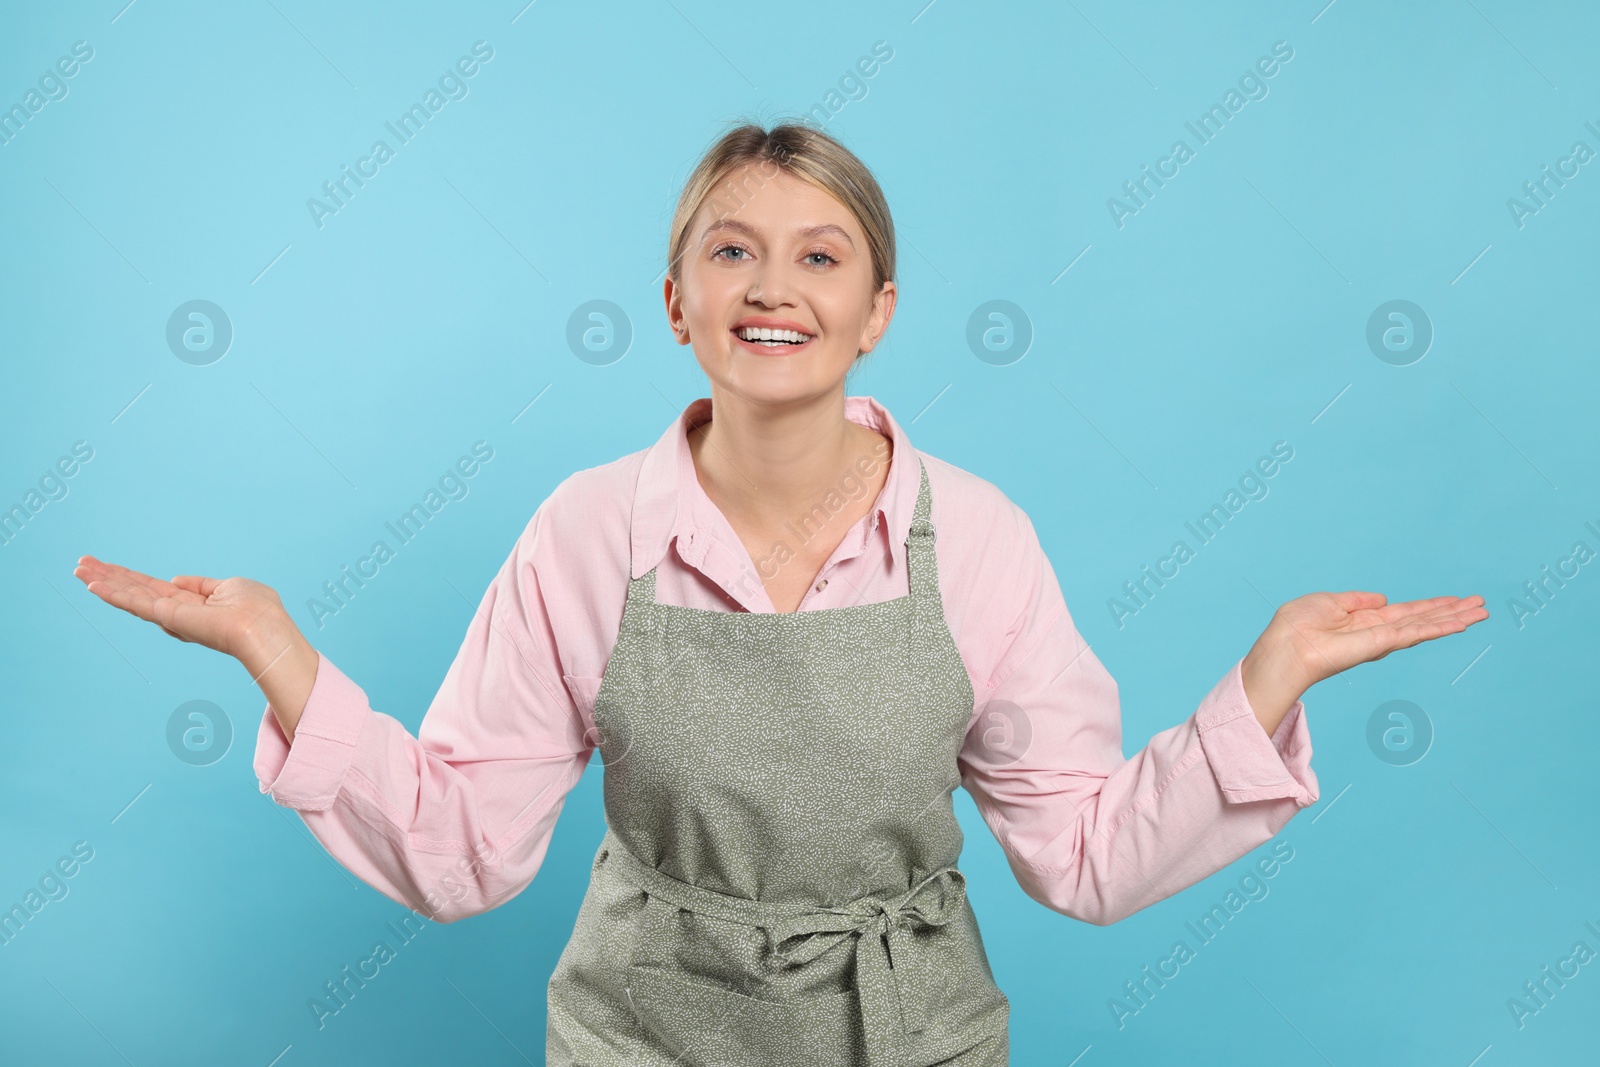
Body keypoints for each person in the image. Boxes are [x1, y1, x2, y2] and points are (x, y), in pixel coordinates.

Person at [73, 120, 1488, 1066]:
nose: (775, 285)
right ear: (678, 299)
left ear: (878, 312)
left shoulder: (976, 538)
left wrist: (1265, 687)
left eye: (822, 256)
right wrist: (281, 658)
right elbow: (465, 850)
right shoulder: (587, 534)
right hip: (645, 1039)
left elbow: (1087, 855)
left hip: (909, 1033)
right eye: (731, 249)